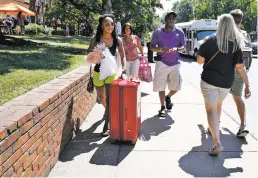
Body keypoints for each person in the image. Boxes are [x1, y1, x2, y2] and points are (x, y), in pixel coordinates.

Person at [197, 14, 251, 156]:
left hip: (209, 81)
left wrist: (203, 45)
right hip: (226, 83)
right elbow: (240, 67)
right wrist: (247, 85)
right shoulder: (236, 44)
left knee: (211, 111)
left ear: (219, 25)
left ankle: (217, 143)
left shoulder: (210, 41)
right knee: (218, 106)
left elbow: (199, 61)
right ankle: (215, 128)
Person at [87, 14, 126, 137]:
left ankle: (107, 126)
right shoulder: (96, 39)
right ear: (102, 26)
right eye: (107, 24)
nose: (110, 26)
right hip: (98, 72)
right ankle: (107, 111)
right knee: (101, 97)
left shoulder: (117, 40)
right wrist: (93, 54)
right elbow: (88, 53)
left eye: (112, 24)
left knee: (109, 99)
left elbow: (122, 55)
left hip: (110, 72)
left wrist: (123, 70)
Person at [150, 11, 186, 117]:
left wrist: (177, 49)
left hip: (175, 64)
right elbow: (152, 46)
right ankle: (162, 107)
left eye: (173, 18)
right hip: (162, 63)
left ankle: (168, 97)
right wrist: (161, 49)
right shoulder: (158, 32)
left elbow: (183, 48)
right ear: (165, 19)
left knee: (177, 87)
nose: (171, 20)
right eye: (169, 18)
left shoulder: (180, 32)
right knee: (161, 87)